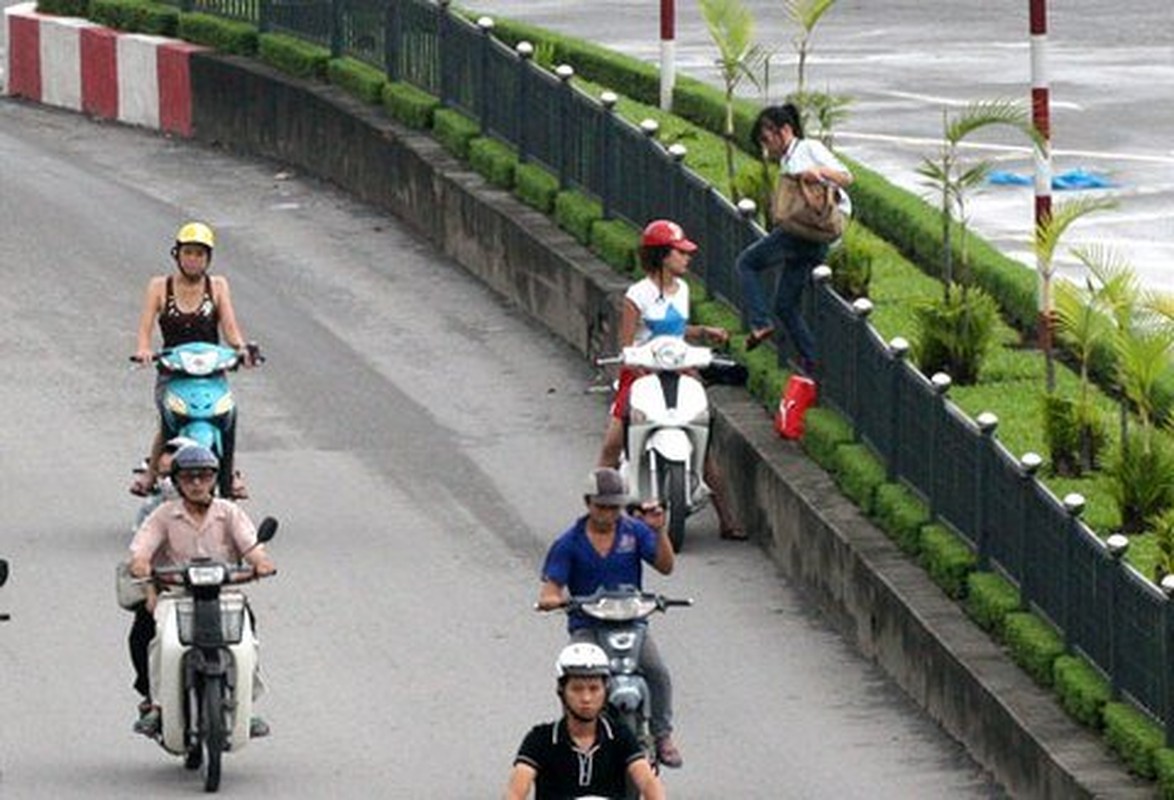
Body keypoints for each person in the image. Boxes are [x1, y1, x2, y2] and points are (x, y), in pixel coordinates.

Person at [598, 219, 746, 541]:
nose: (686, 258)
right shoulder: (637, 295)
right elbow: (626, 346)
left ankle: (727, 519)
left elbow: (677, 332)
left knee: (702, 441)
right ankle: (599, 513)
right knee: (611, 443)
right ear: (663, 256)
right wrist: (636, 368)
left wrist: (703, 332)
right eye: (680, 253)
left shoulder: (683, 290)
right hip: (640, 375)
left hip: (679, 372)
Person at [536, 467, 683, 769]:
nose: (608, 514)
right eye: (601, 506)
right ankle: (571, 739)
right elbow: (548, 592)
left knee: (657, 671)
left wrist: (659, 530)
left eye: (614, 507)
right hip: (588, 626)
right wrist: (557, 601)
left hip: (632, 624)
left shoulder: (634, 532)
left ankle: (663, 735)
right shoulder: (569, 543)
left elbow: (666, 566)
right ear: (588, 503)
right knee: (575, 677)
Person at [127, 444, 275, 737]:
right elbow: (141, 549)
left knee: (248, 639)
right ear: (178, 482)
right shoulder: (163, 515)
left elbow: (251, 546)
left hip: (224, 594)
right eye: (189, 477)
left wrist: (261, 562)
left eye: (204, 477)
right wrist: (142, 564)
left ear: (214, 479)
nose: (197, 484)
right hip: (177, 595)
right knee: (159, 643)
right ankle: (158, 707)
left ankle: (247, 705)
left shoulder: (229, 512)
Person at [129, 222, 254, 499]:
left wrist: (242, 349)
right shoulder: (159, 287)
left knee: (227, 417)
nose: (193, 259)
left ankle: (229, 472)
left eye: (200, 254)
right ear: (177, 254)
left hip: (211, 370)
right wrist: (144, 351)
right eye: (188, 252)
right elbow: (145, 329)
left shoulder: (218, 286)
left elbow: (230, 329)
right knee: (168, 422)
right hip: (173, 370)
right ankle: (151, 474)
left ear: (208, 258)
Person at [738, 103, 854, 375]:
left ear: (785, 130)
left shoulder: (808, 148)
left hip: (807, 231)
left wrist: (817, 173)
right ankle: (815, 367)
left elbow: (847, 177)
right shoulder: (787, 160)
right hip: (807, 236)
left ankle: (760, 323)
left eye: (767, 140)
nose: (767, 148)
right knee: (785, 304)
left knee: (747, 263)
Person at [504, 642, 666, 800]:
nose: (586, 698)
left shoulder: (620, 736)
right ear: (562, 691)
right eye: (577, 689)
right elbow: (516, 791)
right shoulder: (540, 739)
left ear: (606, 690)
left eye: (594, 688)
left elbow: (647, 781)